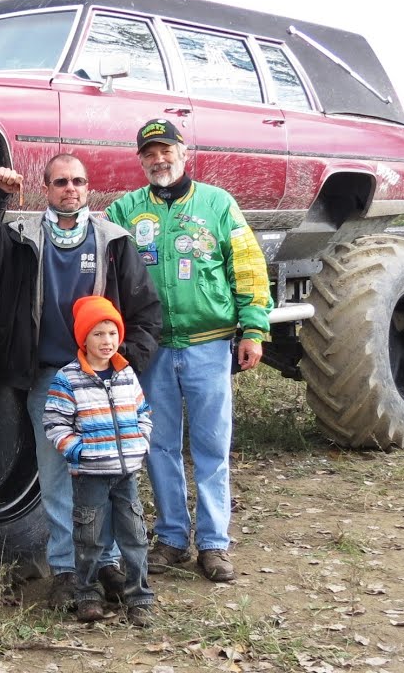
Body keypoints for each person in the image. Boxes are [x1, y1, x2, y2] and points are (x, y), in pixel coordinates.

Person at [0, 154, 163, 610]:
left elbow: (146, 312)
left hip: (102, 380)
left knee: (107, 474)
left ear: (89, 190)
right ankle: (67, 571)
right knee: (55, 478)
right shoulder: (23, 240)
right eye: (61, 181)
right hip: (50, 379)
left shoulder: (113, 242)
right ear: (46, 189)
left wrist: (124, 362)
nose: (71, 188)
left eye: (79, 182)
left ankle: (106, 563)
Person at [104, 118, 273, 583]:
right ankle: (174, 538)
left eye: (166, 150)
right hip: (152, 350)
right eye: (149, 153)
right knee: (158, 445)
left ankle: (214, 544)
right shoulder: (125, 211)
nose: (159, 159)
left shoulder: (218, 204)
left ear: (184, 152)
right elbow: (102, 270)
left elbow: (249, 267)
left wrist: (254, 329)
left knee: (211, 446)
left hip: (208, 346)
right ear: (140, 160)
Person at [44, 295, 156, 627]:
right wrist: (78, 451)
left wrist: (141, 443)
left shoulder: (127, 374)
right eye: (98, 334)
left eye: (111, 333)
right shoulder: (68, 378)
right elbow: (55, 423)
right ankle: (87, 594)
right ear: (83, 339)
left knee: (135, 536)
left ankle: (139, 598)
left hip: (126, 475)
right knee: (89, 538)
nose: (106, 341)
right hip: (91, 475)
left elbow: (143, 413)